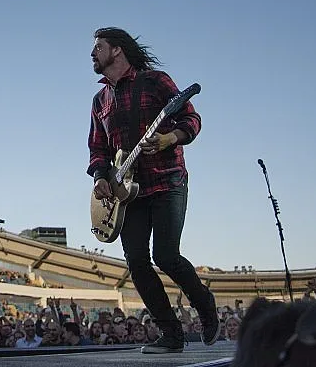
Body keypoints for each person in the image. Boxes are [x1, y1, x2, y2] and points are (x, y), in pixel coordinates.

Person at [87, 27, 218, 354]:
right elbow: (98, 147)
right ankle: (171, 334)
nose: (92, 54)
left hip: (167, 181)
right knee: (137, 262)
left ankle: (204, 303)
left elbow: (192, 118)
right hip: (127, 194)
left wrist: (170, 138)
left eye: (98, 47)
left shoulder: (156, 81)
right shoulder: (100, 99)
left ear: (116, 50)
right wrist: (100, 177)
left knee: (166, 255)